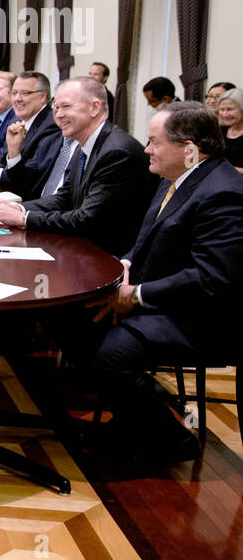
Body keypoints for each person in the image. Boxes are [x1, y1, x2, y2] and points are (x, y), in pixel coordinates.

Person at [85, 102, 243, 463]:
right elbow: (146, 241)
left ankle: (171, 439)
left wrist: (136, 295)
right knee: (81, 320)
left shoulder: (223, 193)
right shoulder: (174, 178)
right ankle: (132, 423)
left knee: (112, 352)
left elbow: (211, 278)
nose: (146, 151)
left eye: (154, 142)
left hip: (204, 318)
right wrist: (125, 265)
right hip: (168, 300)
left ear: (189, 149)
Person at [0, 77, 157, 256]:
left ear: (94, 107)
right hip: (82, 246)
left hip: (107, 256)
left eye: (66, 107)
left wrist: (23, 218)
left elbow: (87, 219)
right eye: (56, 107)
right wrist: (18, 208)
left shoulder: (116, 152)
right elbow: (64, 197)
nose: (58, 114)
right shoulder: (84, 144)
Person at [0, 72, 62, 199]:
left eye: (25, 93)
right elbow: (1, 162)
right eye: (14, 93)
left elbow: (32, 179)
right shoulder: (18, 122)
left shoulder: (51, 124)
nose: (17, 98)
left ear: (43, 97)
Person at [216, 87, 243, 170]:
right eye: (222, 109)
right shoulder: (220, 130)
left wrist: (232, 169)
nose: (225, 114)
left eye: (230, 109)